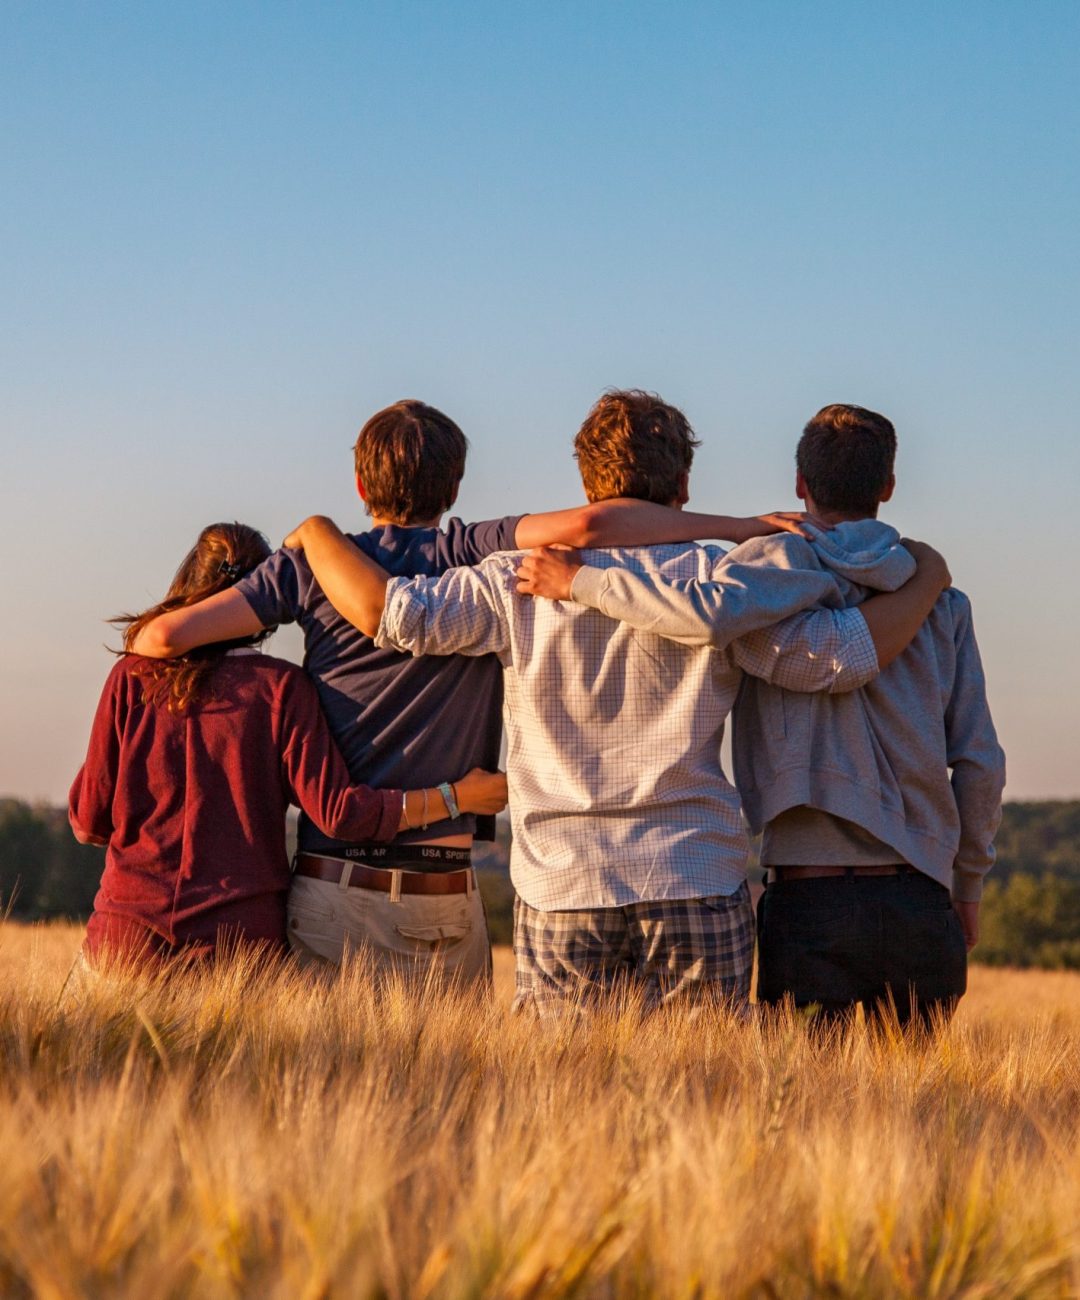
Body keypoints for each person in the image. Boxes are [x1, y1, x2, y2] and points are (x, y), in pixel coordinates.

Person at [282, 391, 949, 1016]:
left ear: (586, 486)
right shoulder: (723, 580)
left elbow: (394, 616)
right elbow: (832, 661)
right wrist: (925, 582)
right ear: (683, 488)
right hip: (694, 872)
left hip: (562, 882)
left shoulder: (513, 578)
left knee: (563, 1106)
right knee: (706, 1101)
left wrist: (316, 534)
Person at [129, 400, 811, 981]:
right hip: (448, 890)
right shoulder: (472, 551)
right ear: (455, 484)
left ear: (359, 482)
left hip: (335, 882)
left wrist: (304, 546)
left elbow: (161, 642)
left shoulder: (312, 567)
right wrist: (742, 527)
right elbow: (591, 526)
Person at [519, 404, 1004, 1029]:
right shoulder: (942, 602)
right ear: (887, 487)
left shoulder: (759, 581)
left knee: (799, 1111)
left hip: (808, 898)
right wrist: (967, 884)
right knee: (919, 1116)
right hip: (921, 895)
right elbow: (980, 762)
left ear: (800, 483)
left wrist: (582, 582)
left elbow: (703, 615)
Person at [69, 521, 507, 969]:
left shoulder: (131, 678)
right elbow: (340, 813)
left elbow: (89, 822)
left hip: (125, 940)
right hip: (239, 949)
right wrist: (457, 797)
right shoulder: (281, 689)